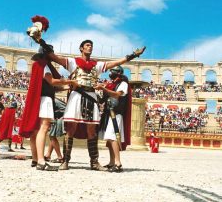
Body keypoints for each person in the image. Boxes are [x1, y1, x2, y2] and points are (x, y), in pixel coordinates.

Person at [38, 39, 145, 171]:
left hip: (91, 96)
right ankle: (65, 160)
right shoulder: (72, 62)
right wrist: (40, 41)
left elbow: (116, 63)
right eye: (87, 45)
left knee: (91, 131)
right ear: (81, 48)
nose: (90, 47)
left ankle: (94, 162)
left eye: (91, 46)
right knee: (70, 128)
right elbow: (54, 57)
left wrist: (133, 55)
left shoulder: (97, 65)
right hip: (76, 96)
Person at [19, 46, 78, 171]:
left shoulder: (37, 65)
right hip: (45, 99)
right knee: (44, 127)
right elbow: (51, 82)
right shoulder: (44, 66)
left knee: (35, 131)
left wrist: (67, 87)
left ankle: (35, 159)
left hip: (40, 98)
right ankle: (41, 161)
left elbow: (51, 86)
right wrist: (70, 82)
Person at [96, 67, 132, 172]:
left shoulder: (123, 83)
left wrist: (104, 89)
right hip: (109, 112)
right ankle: (112, 162)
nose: (110, 73)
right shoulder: (112, 84)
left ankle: (118, 162)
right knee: (109, 140)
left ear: (118, 73)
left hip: (116, 113)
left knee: (113, 137)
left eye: (113, 71)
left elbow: (117, 95)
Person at [44, 98, 66, 163]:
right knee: (52, 135)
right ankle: (48, 155)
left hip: (61, 118)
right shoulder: (53, 100)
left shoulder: (52, 100)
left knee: (51, 136)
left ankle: (60, 157)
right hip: (59, 117)